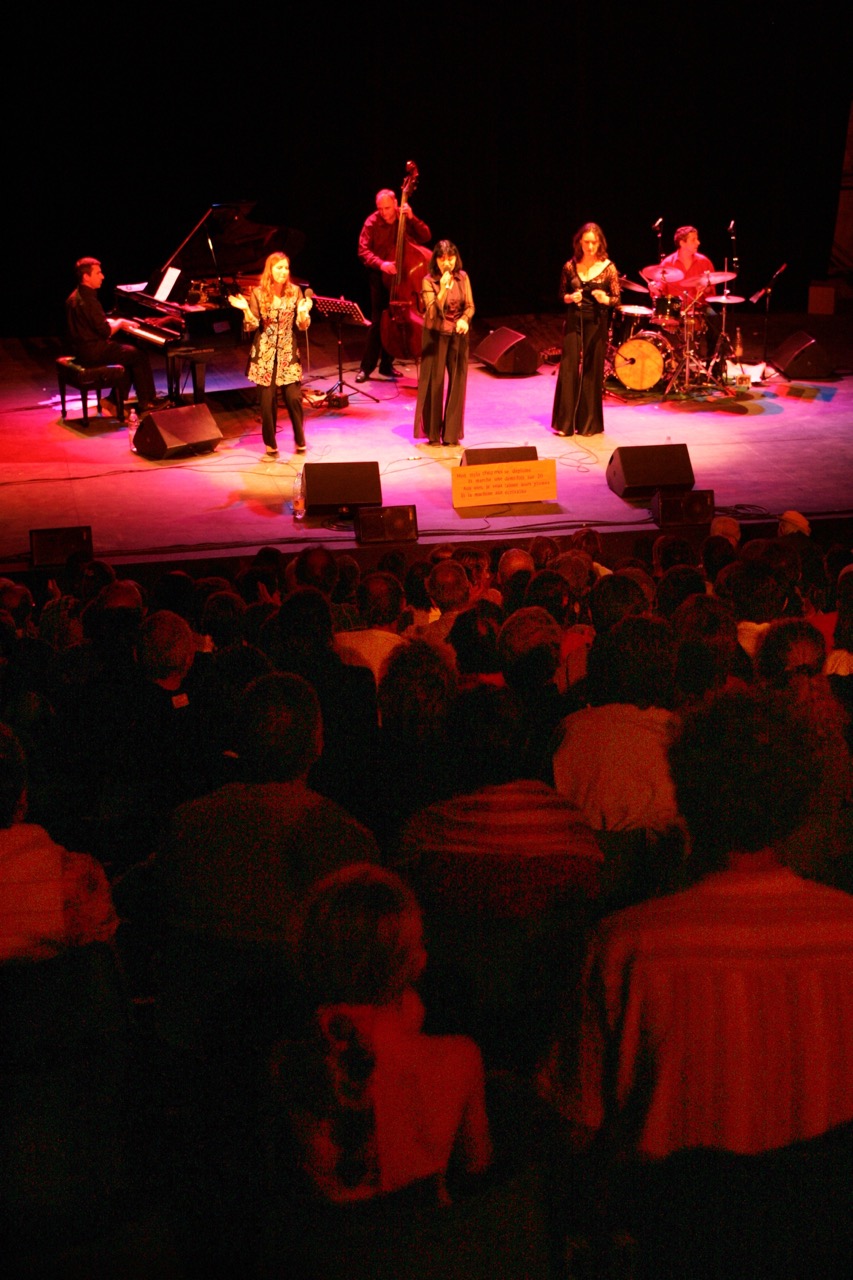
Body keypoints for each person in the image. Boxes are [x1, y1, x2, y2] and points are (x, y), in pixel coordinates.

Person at [268, 863, 492, 1205]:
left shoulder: (288, 1062)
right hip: (432, 1249)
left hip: (318, 1254)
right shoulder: (461, 1056)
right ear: (415, 961)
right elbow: (477, 1167)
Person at [228, 252, 312, 457]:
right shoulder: (258, 293)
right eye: (278, 268)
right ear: (270, 270)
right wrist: (246, 309)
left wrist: (303, 313)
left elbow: (302, 326)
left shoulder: (296, 292)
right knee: (267, 401)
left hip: (287, 350)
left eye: (286, 268)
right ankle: (270, 443)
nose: (283, 272)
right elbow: (252, 325)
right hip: (264, 352)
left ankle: (300, 439)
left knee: (293, 398)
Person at [551, 222, 620, 437]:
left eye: (594, 242)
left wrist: (605, 298)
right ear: (579, 242)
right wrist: (570, 298)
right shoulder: (570, 266)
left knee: (592, 369)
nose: (590, 246)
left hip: (597, 321)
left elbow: (617, 299)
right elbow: (561, 294)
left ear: (599, 243)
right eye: (586, 242)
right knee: (569, 366)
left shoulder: (608, 267)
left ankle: (589, 423)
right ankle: (565, 423)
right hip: (574, 320)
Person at [65, 257, 160, 413]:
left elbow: (90, 323)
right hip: (94, 352)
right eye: (98, 273)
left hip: (81, 350)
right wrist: (120, 322)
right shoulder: (89, 300)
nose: (102, 276)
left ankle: (113, 400)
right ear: (86, 277)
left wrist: (110, 320)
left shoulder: (75, 296)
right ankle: (147, 401)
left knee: (128, 356)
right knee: (138, 355)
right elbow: (105, 332)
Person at [356, 187, 431, 383]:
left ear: (396, 204)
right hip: (381, 275)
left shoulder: (404, 217)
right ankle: (366, 368)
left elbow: (426, 237)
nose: (384, 212)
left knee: (398, 318)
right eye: (380, 209)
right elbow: (363, 251)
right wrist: (382, 264)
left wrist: (412, 217)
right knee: (378, 321)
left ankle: (387, 365)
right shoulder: (371, 222)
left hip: (405, 277)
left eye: (387, 208)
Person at [413, 240, 475, 446]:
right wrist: (444, 288)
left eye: (450, 258)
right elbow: (432, 311)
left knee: (458, 382)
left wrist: (465, 319)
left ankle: (451, 434)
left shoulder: (463, 277)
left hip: (458, 334)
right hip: (436, 335)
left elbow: (470, 306)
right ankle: (433, 433)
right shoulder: (428, 280)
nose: (447, 263)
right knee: (435, 382)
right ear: (436, 260)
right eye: (442, 259)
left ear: (456, 258)